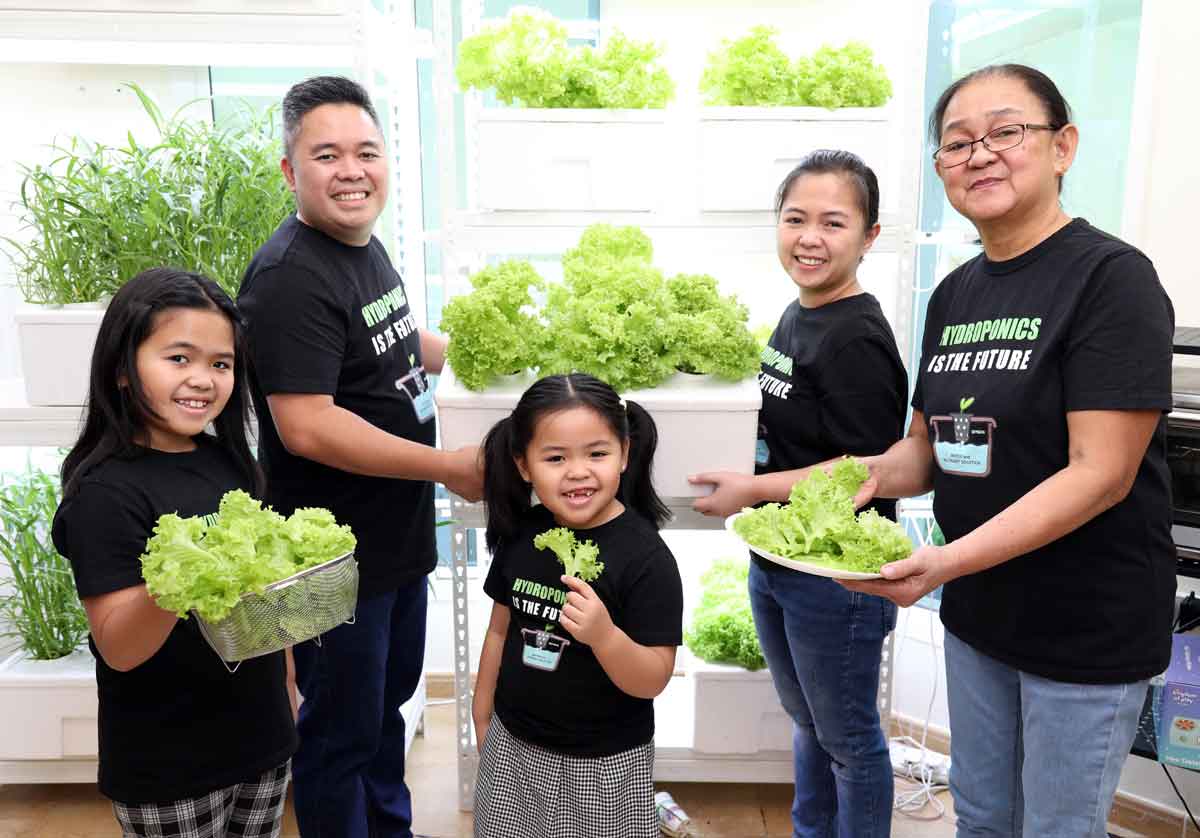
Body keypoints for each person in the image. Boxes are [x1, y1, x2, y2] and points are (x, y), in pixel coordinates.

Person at [843, 64, 1175, 838]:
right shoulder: (956, 294)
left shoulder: (1111, 280)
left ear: (1062, 147)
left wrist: (944, 563)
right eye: (957, 143)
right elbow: (925, 450)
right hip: (983, 615)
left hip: (1084, 622)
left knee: (1057, 829)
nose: (979, 154)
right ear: (940, 170)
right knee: (985, 819)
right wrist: (852, 481)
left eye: (1006, 132)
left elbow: (1101, 475)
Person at [236, 75, 483, 838]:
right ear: (290, 171)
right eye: (327, 154)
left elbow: (399, 340)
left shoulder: (362, 247)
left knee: (382, 717)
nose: (352, 170)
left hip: (392, 543)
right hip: (325, 562)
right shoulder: (288, 278)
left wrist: (502, 358)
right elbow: (307, 426)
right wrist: (448, 467)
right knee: (338, 735)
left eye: (366, 152)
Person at [690, 150, 907, 837]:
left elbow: (862, 472)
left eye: (833, 222)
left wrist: (752, 488)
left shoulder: (857, 339)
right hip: (782, 562)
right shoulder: (800, 311)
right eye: (795, 218)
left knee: (848, 740)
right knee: (812, 724)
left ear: (869, 236)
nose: (809, 237)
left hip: (835, 578)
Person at [51, 267, 296, 837]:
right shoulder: (104, 494)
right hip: (168, 760)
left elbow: (262, 607)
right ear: (120, 369)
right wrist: (178, 577)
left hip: (261, 738)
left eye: (221, 363)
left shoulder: (231, 462)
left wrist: (287, 687)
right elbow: (120, 648)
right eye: (178, 358)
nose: (203, 379)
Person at [472, 373, 684, 838]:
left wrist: (604, 637)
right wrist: (482, 709)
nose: (577, 471)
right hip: (514, 747)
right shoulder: (523, 533)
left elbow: (652, 678)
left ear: (625, 454)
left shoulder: (646, 559)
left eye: (597, 453)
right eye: (555, 457)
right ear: (524, 465)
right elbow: (500, 630)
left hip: (605, 764)